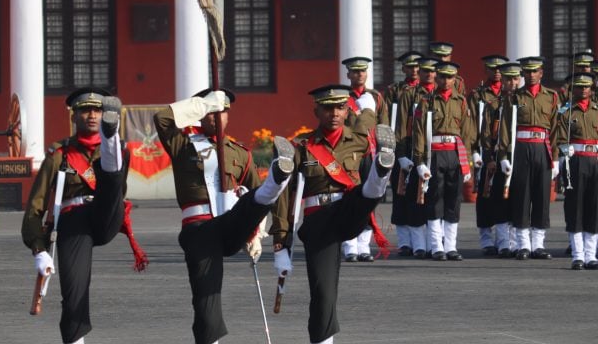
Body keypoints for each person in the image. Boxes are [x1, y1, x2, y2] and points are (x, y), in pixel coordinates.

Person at [154, 88, 292, 344]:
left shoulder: (240, 153)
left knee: (255, 198)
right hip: (200, 228)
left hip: (231, 223)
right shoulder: (182, 144)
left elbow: (249, 189)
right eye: (210, 112)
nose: (216, 117)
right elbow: (161, 118)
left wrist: (256, 235)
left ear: (228, 116)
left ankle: (277, 178)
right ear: (202, 114)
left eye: (222, 112)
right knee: (207, 298)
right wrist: (200, 104)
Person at [270, 84, 394, 344]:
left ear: (347, 110)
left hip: (349, 209)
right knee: (323, 291)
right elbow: (286, 195)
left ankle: (382, 170)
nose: (334, 113)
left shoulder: (358, 138)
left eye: (340, 107)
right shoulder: (303, 146)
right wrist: (281, 242)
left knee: (364, 194)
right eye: (328, 108)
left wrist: (369, 105)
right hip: (319, 219)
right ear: (316, 110)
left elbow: (368, 118)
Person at [22, 88, 130, 344]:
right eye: (85, 110)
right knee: (74, 289)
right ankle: (75, 340)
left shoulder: (123, 151)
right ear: (74, 116)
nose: (91, 115)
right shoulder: (59, 154)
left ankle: (109, 136)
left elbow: (121, 190)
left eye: (97, 110)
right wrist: (39, 248)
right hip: (74, 219)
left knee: (112, 179)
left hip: (106, 213)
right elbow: (36, 204)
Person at [498, 56, 559, 260]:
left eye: (535, 71)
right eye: (527, 72)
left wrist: (557, 158)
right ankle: (524, 244)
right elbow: (506, 128)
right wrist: (505, 155)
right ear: (523, 74)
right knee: (522, 195)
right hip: (521, 148)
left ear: (541, 73)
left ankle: (538, 244)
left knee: (541, 195)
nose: (531, 75)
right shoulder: (514, 97)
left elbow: (556, 129)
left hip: (542, 147)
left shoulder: (551, 97)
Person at [412, 62, 474, 261]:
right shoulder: (427, 101)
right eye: (442, 77)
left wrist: (468, 162)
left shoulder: (461, 102)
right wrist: (420, 161)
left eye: (450, 77)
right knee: (435, 199)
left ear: (455, 79)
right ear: (436, 78)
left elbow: (467, 134)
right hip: (434, 154)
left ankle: (451, 246)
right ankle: (436, 246)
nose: (446, 81)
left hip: (455, 154)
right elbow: (419, 132)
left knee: (453, 200)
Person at [339, 56, 389, 262]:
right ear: (348, 74)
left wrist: (386, 155)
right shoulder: (341, 97)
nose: (360, 74)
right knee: (348, 197)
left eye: (363, 71)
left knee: (369, 199)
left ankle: (363, 245)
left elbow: (384, 127)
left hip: (369, 153)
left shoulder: (376, 97)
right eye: (355, 71)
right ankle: (349, 245)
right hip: (348, 154)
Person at [475, 62, 522, 258]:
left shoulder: (523, 103)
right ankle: (500, 242)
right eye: (508, 79)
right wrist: (488, 158)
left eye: (515, 79)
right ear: (502, 80)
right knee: (494, 199)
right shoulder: (494, 104)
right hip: (496, 158)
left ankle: (514, 241)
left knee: (516, 200)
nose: (512, 83)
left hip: (520, 157)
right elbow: (485, 134)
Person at [394, 57, 438, 258]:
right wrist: (401, 155)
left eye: (432, 71)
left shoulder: (441, 94)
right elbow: (402, 127)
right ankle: (417, 244)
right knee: (413, 199)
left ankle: (435, 243)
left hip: (438, 151)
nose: (428, 74)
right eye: (424, 70)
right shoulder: (409, 95)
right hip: (413, 149)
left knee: (434, 198)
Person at [553, 72, 598, 270]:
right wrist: (565, 155)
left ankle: (591, 255)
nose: (583, 90)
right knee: (575, 207)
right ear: (573, 89)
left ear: (592, 89)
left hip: (595, 161)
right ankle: (578, 254)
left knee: (594, 208)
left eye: (586, 86)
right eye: (579, 87)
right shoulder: (566, 110)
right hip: (575, 161)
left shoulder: (597, 110)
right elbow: (560, 138)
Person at [467, 54, 508, 255]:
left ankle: (503, 240)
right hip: (484, 149)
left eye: (501, 69)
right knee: (484, 195)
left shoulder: (510, 93)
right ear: (487, 71)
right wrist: (473, 151)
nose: (497, 72)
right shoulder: (478, 95)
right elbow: (471, 125)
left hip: (505, 151)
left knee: (504, 195)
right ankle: (486, 239)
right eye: (493, 69)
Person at [383, 51, 421, 255]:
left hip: (422, 149)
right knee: (400, 195)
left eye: (417, 67)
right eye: (410, 67)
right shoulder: (395, 90)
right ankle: (405, 241)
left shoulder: (427, 91)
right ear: (403, 69)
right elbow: (390, 120)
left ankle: (424, 241)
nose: (414, 71)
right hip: (401, 148)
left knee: (421, 195)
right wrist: (396, 151)